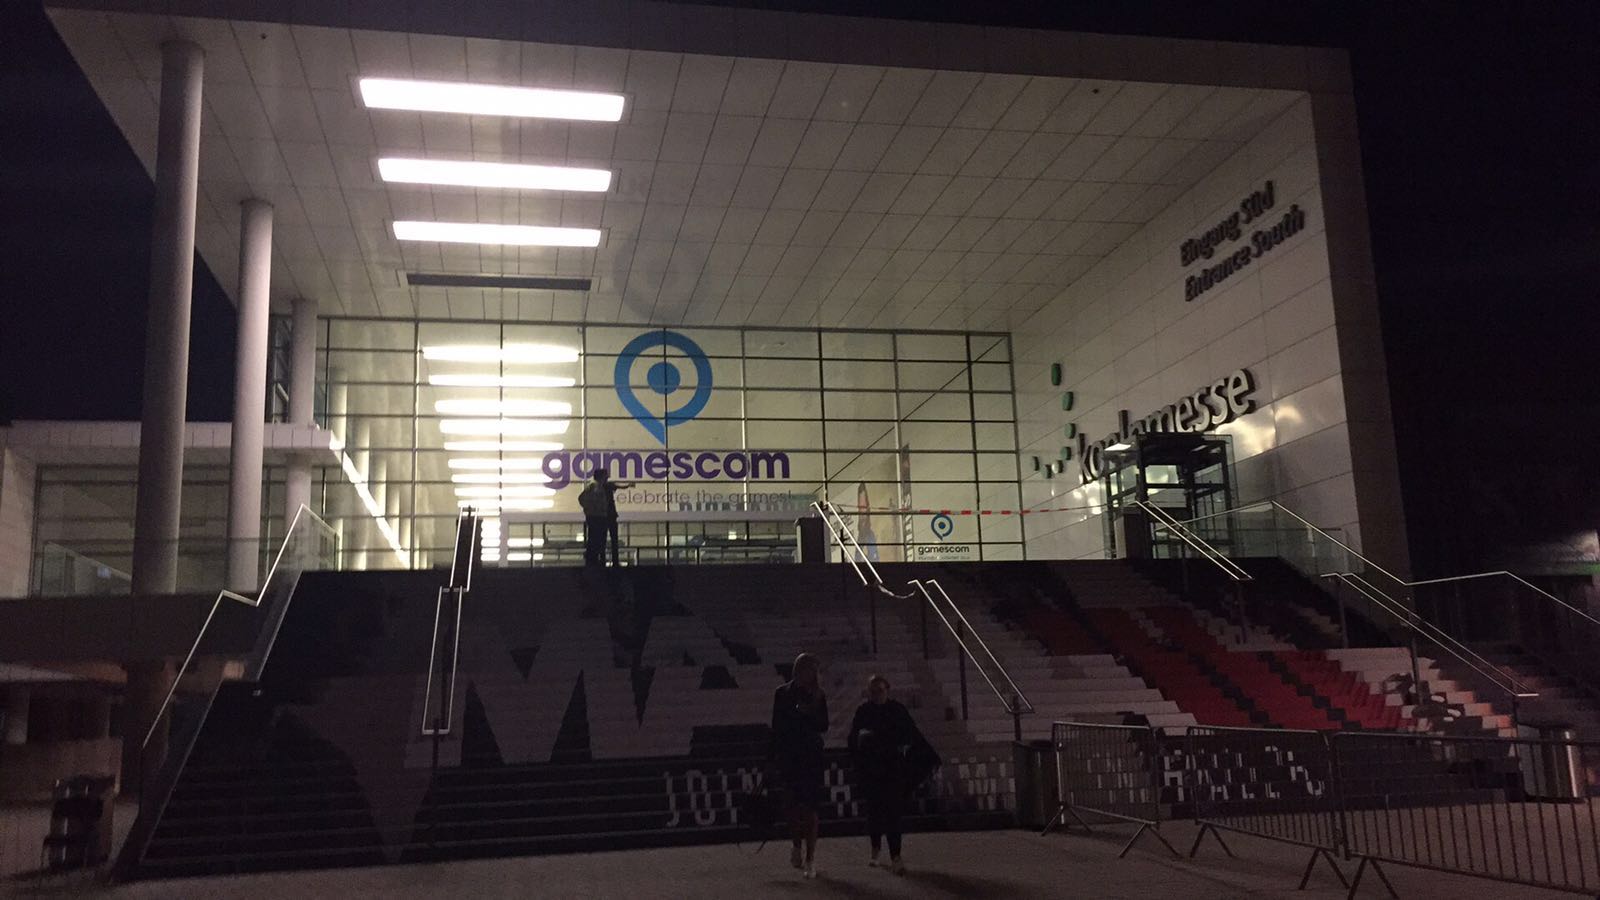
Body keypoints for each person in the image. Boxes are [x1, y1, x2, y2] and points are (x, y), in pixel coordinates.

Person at [847, 675, 938, 875]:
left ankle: (895, 855)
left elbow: (911, 734)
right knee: (874, 812)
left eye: (879, 690)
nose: (876, 695)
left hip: (892, 768)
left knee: (893, 814)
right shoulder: (863, 711)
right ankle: (876, 848)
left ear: (887, 690)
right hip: (872, 769)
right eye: (873, 691)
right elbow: (853, 738)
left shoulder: (897, 710)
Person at [769, 652, 828, 878]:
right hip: (789, 756)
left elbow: (824, 725)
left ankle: (810, 859)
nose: (810, 674)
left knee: (811, 808)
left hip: (811, 756)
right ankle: (796, 844)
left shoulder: (818, 695)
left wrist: (808, 713)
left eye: (813, 670)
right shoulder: (782, 693)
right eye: (807, 669)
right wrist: (772, 758)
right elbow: (776, 727)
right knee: (792, 806)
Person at [578, 468, 633, 567]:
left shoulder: (596, 487)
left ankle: (600, 560)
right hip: (603, 516)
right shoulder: (599, 487)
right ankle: (608, 561)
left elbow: (582, 499)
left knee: (599, 539)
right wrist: (594, 509)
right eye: (605, 476)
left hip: (601, 516)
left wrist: (589, 509)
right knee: (604, 538)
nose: (607, 477)